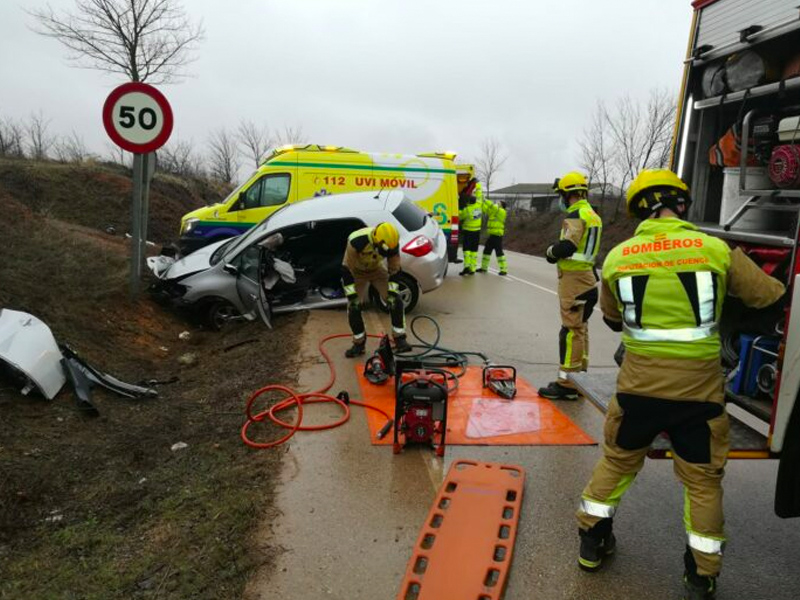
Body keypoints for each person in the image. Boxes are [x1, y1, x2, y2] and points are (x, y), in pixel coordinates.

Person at [575, 169, 785, 600]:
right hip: (699, 397)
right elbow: (769, 296)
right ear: (682, 204)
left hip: (638, 390)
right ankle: (700, 575)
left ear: (638, 212)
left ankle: (592, 544)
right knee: (703, 484)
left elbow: (614, 319)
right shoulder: (716, 250)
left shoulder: (618, 257)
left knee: (615, 464)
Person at [538, 171, 602, 400]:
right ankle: (580, 378)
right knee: (581, 330)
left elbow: (568, 246)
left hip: (574, 281)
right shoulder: (593, 214)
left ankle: (567, 384)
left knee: (570, 330)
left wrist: (550, 252)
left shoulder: (576, 213)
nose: (561, 199)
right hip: (588, 277)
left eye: (561, 195)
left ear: (568, 194)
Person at [341, 222, 412, 357]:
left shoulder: (391, 243)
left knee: (396, 301)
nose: (387, 254)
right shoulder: (356, 242)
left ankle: (400, 338)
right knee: (353, 307)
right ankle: (359, 343)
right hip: (356, 272)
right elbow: (346, 270)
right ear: (376, 240)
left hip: (376, 270)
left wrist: (391, 294)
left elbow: (395, 270)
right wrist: (352, 297)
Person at [476, 199, 508, 275]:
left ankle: (503, 270)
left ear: (502, 206)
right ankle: (484, 268)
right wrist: (480, 202)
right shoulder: (494, 212)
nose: (497, 203)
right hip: (492, 236)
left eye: (499, 203)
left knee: (499, 252)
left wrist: (484, 199)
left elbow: (492, 206)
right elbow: (486, 209)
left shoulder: (502, 212)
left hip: (497, 236)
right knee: (486, 251)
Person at [459, 177, 483, 276]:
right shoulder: (479, 205)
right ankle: (473, 268)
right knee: (474, 250)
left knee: (467, 250)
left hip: (468, 231)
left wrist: (460, 208)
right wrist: (478, 185)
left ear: (469, 202)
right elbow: (480, 194)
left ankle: (466, 266)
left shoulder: (467, 210)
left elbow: (460, 216)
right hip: (477, 232)